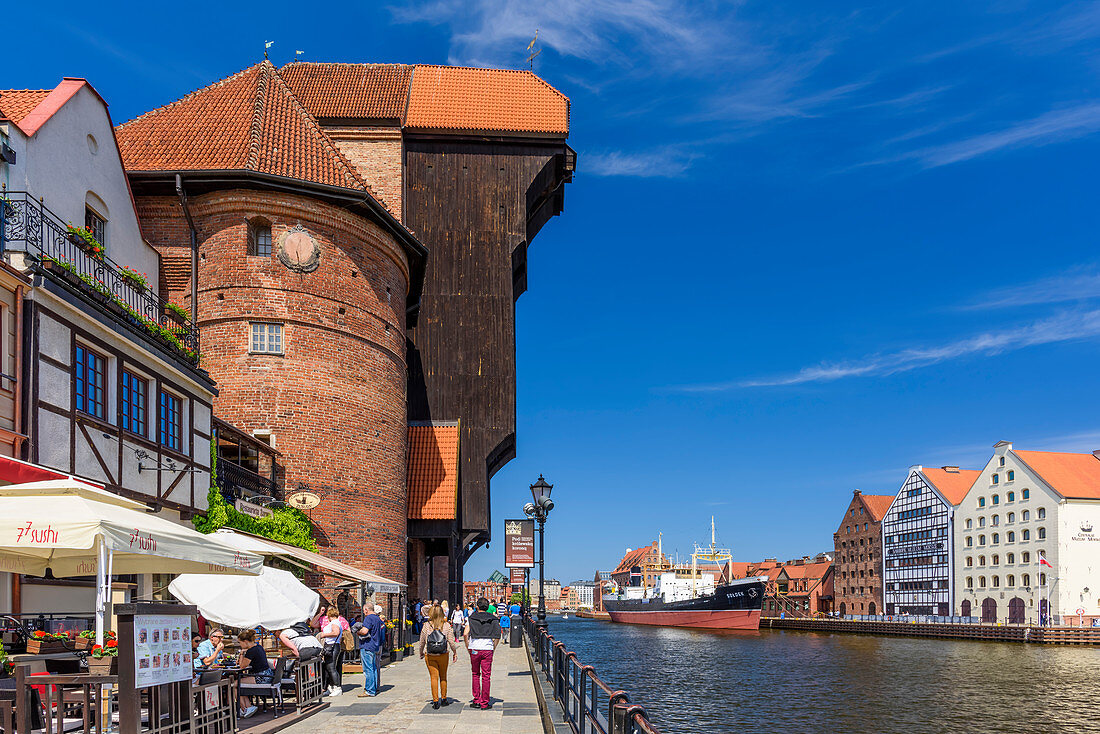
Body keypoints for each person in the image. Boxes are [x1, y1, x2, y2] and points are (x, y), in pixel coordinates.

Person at [419, 604, 459, 709]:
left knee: (433, 677)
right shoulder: (446, 625)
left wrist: (421, 652)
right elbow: (451, 641)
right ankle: (444, 698)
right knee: (443, 676)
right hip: (443, 654)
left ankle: (436, 701)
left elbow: (422, 641)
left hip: (430, 654)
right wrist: (455, 652)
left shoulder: (426, 625)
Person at [464, 597, 500, 710]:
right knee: (486, 676)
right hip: (487, 648)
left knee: (475, 674)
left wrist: (467, 646)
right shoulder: (493, 618)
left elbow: (465, 634)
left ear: (477, 607)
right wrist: (493, 647)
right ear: (488, 607)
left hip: (474, 647)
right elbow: (497, 635)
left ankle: (476, 700)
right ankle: (485, 703)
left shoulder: (471, 617)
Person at [235, 629, 270, 719]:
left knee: (234, 685)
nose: (240, 645)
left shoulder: (251, 651)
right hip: (267, 675)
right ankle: (247, 707)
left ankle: (245, 708)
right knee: (239, 683)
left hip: (261, 677)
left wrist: (242, 653)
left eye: (240, 643)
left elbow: (242, 666)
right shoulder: (259, 647)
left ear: (245, 642)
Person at [356, 604, 383, 697]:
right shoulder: (377, 618)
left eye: (364, 610)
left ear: (366, 609)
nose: (363, 612)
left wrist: (357, 632)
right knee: (374, 668)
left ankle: (370, 690)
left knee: (368, 669)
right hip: (375, 645)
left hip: (367, 645)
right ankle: (374, 687)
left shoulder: (368, 618)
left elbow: (364, 631)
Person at [319, 607, 343, 696]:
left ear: (330, 615)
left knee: (331, 667)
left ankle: (337, 687)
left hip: (332, 646)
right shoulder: (336, 622)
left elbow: (335, 633)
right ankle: (330, 687)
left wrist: (324, 635)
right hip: (332, 646)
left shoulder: (334, 622)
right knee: (328, 667)